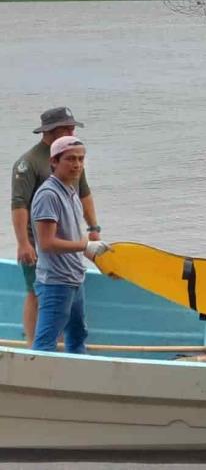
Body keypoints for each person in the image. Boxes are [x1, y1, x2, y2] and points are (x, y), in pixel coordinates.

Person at [11, 107, 101, 346]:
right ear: (51, 131)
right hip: (40, 242)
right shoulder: (29, 163)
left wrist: (94, 227)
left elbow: (84, 194)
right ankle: (35, 348)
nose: (72, 130)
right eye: (67, 127)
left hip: (68, 251)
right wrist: (24, 243)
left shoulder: (72, 156)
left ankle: (58, 354)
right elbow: (19, 205)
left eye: (80, 160)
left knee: (74, 329)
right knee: (36, 293)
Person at [30, 136, 110, 353]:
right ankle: (37, 385)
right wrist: (84, 247)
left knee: (77, 338)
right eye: (70, 159)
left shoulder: (71, 192)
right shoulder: (48, 195)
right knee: (45, 344)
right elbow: (47, 243)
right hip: (56, 282)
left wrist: (102, 260)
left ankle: (78, 382)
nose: (77, 165)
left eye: (81, 159)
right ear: (54, 162)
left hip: (75, 278)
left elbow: (73, 239)